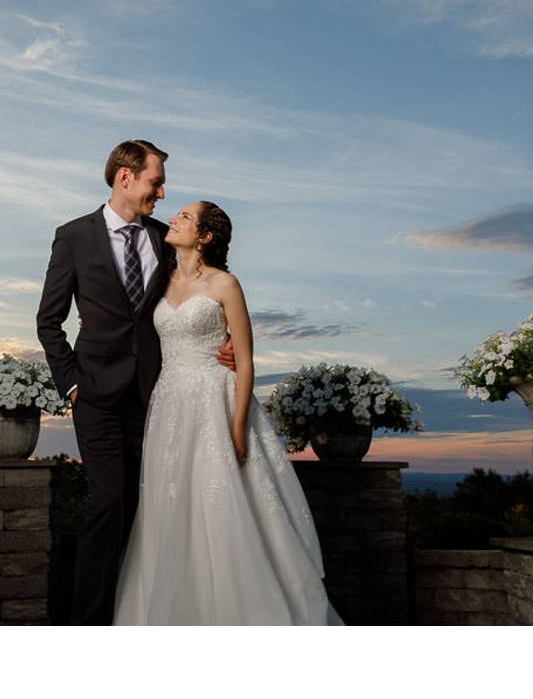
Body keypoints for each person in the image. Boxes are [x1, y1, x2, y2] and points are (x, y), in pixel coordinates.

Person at [113, 201, 344, 625]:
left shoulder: (225, 284)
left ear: (205, 236)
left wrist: (237, 426)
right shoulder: (159, 279)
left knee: (218, 501)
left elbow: (246, 360)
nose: (174, 218)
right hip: (169, 403)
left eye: (185, 216)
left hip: (215, 400)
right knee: (170, 503)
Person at [36, 141, 234, 626]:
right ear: (125, 177)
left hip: (156, 396)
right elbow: (48, 321)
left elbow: (204, 287)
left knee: (151, 504)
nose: (162, 194)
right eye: (155, 182)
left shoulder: (166, 238)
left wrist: (226, 337)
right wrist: (71, 384)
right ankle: (90, 623)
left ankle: (140, 614)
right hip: (95, 396)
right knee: (107, 501)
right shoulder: (73, 236)